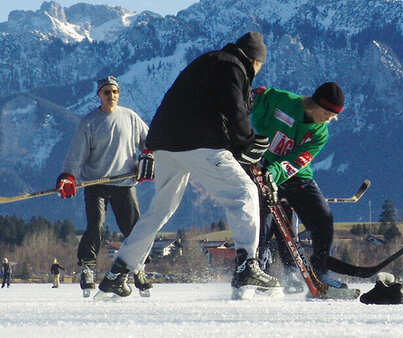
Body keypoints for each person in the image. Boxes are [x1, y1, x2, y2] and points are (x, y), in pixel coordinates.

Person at [97, 32, 282, 300]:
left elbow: (202, 105)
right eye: (259, 66)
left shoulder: (209, 61)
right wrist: (248, 142)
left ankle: (119, 271)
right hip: (197, 141)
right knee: (243, 192)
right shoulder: (233, 66)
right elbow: (234, 109)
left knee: (160, 208)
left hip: (163, 142)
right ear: (255, 60)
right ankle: (247, 267)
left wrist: (238, 143)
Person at [56, 75, 155, 296]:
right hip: (95, 183)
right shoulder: (89, 122)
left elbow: (150, 141)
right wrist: (68, 176)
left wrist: (148, 156)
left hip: (124, 183)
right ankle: (88, 268)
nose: (112, 96)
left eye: (115, 92)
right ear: (99, 96)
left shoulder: (130, 117)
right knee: (96, 226)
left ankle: (138, 267)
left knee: (133, 228)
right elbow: (76, 155)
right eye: (107, 92)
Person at [250, 82, 346, 290]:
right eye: (326, 112)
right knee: (262, 222)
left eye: (333, 116)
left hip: (295, 175)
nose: (328, 119)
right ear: (315, 103)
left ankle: (320, 271)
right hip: (263, 165)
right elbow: (253, 100)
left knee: (323, 218)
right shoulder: (283, 101)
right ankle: (257, 269)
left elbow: (296, 161)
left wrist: (274, 173)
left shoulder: (320, 134)